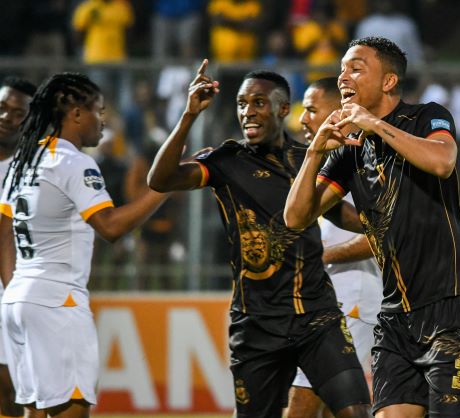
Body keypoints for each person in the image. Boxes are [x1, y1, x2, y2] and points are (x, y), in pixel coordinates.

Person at [148, 61, 371, 418]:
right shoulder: (225, 161)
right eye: (241, 104)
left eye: (258, 103)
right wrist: (189, 116)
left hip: (317, 316)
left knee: (357, 411)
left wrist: (392, 224)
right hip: (256, 324)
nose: (247, 112)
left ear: (283, 109)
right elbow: (160, 179)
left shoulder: (307, 159)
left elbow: (338, 214)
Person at [284, 37, 460, 417]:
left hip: (453, 306)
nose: (343, 76)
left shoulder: (428, 116)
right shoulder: (349, 149)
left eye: (356, 68)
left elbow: (442, 161)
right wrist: (315, 150)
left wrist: (375, 125)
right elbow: (296, 217)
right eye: (343, 67)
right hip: (395, 314)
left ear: (389, 81)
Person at [0, 72, 168, 418]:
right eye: (99, 110)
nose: (103, 121)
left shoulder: (22, 160)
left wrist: (13, 291)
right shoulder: (73, 162)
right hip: (57, 302)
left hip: (17, 299)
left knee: (34, 411)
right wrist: (166, 187)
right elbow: (110, 227)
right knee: (71, 411)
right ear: (76, 113)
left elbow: (4, 232)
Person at [285, 78, 382, 418]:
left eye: (312, 110)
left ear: (337, 110)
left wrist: (323, 256)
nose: (303, 119)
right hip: (330, 298)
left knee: (302, 404)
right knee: (337, 409)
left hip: (352, 296)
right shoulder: (329, 160)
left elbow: (381, 235)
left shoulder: (360, 159)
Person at [0, 76, 37, 418]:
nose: (6, 117)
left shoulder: (36, 170)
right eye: (1, 108)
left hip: (15, 290)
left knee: (13, 387)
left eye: (16, 113)